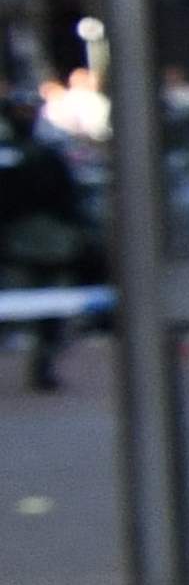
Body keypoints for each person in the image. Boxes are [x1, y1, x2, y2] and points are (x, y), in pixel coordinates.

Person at [0, 77, 92, 389]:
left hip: (50, 241)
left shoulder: (50, 149)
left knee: (51, 309)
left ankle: (44, 364)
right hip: (15, 241)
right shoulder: (10, 150)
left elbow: (67, 195)